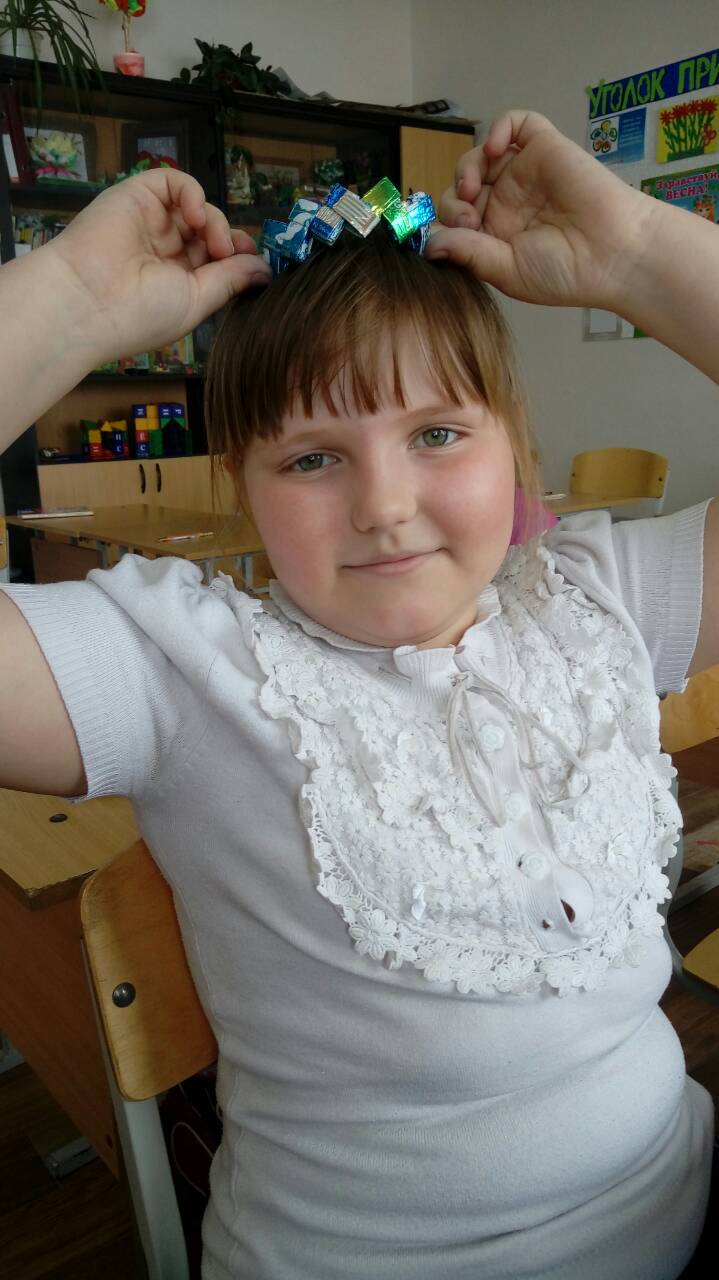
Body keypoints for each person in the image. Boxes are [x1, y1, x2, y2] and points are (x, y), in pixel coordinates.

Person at [1, 109, 717, 1280]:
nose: (383, 504)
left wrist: (637, 255)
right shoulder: (183, 670)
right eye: (311, 456)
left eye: (435, 432)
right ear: (241, 481)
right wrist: (70, 301)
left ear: (514, 443)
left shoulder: (597, 595)